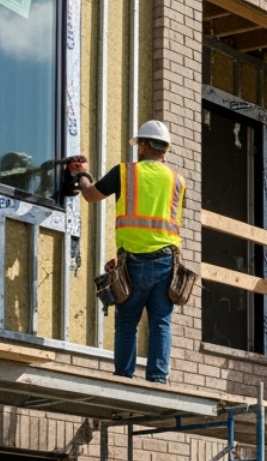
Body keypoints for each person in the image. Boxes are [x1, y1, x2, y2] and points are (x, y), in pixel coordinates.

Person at [74, 120, 188, 383]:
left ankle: (124, 377)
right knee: (160, 323)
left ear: (144, 145)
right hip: (167, 263)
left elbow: (91, 196)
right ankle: (158, 378)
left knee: (127, 322)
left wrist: (81, 174)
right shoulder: (178, 182)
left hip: (133, 262)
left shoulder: (126, 173)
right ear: (165, 150)